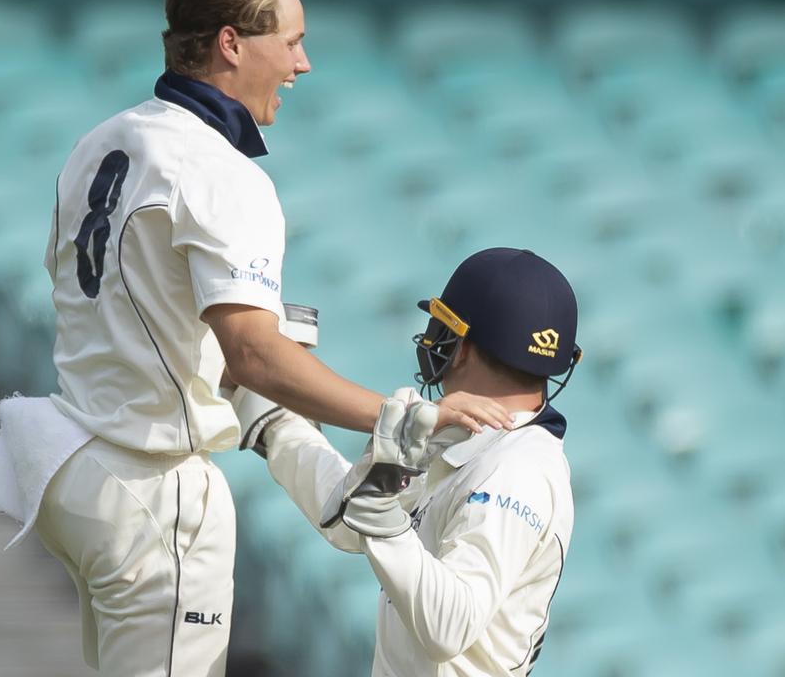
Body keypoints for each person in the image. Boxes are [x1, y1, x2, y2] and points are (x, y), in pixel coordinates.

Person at [0, 0, 510, 676]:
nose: (302, 64)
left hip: (78, 464)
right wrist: (404, 417)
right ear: (231, 43)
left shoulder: (101, 141)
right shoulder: (223, 174)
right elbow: (252, 356)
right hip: (151, 488)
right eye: (290, 42)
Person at [235, 247, 582, 677]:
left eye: (443, 326)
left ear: (462, 348)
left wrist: (381, 516)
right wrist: (280, 426)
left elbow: (448, 625)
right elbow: (350, 523)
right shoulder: (472, 437)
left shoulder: (517, 471)